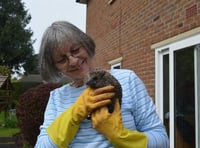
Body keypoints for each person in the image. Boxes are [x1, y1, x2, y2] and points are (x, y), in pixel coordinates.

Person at [35, 21, 169, 148]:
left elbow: (162, 140)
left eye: (75, 50)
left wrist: (119, 136)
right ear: (55, 67)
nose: (73, 61)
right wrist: (74, 113)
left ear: (85, 45)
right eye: (62, 59)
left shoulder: (127, 79)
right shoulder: (57, 98)